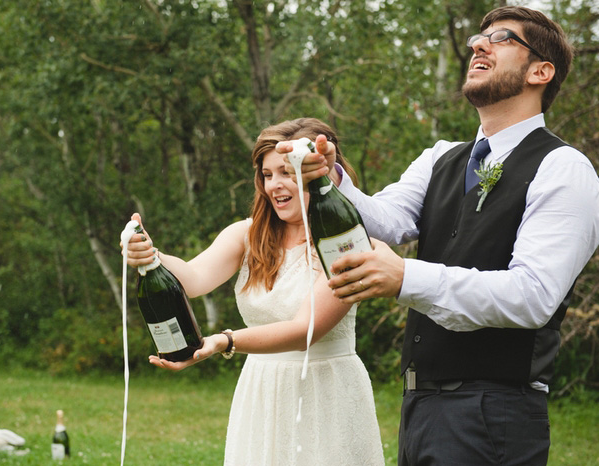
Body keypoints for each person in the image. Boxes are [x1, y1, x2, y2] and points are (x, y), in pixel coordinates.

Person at [282, 6, 599, 466]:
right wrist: (327, 178)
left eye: (502, 38)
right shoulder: (442, 156)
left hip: (494, 412)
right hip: (420, 406)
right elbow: (387, 219)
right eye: (478, 37)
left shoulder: (564, 169)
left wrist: (405, 277)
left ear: (541, 71)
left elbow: (534, 295)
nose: (478, 44)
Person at [122, 118, 385, 465]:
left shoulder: (345, 241)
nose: (275, 184)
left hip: (328, 393)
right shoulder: (247, 235)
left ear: (319, 170)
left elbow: (305, 330)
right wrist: (149, 255)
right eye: (267, 174)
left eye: (288, 172)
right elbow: (194, 278)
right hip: (261, 392)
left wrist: (225, 341)